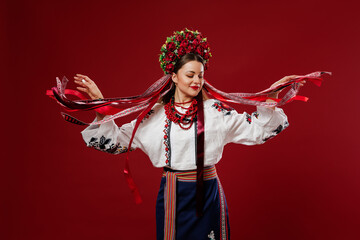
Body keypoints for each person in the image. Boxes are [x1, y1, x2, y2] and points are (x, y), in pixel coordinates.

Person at [72, 29, 306, 240]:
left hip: (209, 193)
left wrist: (270, 99)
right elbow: (118, 141)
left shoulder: (215, 112)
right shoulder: (155, 116)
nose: (196, 81)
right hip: (175, 195)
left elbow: (259, 129)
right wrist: (99, 105)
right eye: (190, 75)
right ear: (173, 76)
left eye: (200, 75)